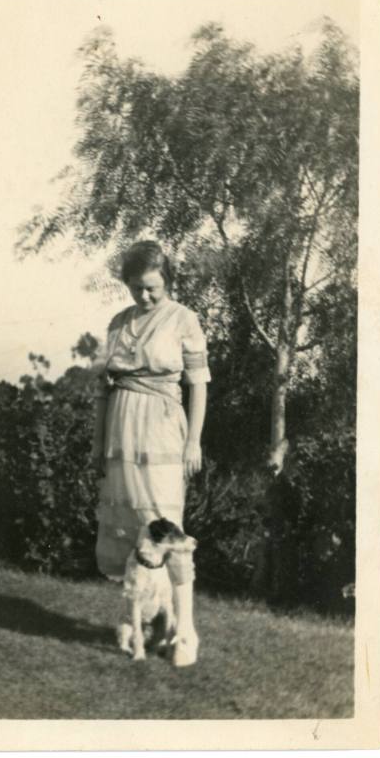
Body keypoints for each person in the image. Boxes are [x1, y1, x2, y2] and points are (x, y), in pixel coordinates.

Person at [91, 240, 210, 667]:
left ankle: (185, 633)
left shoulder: (184, 320)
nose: (144, 296)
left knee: (169, 529)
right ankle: (139, 624)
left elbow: (198, 384)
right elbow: (103, 389)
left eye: (152, 289)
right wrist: (97, 443)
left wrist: (193, 440)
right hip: (122, 430)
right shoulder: (118, 323)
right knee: (131, 529)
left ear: (168, 283)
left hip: (162, 428)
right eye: (136, 288)